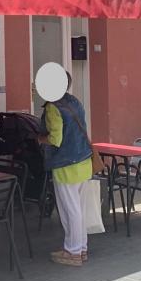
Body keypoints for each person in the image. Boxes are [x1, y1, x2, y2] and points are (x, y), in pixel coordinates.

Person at [38, 71, 93, 267]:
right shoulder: (74, 101)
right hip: (84, 161)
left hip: (65, 165)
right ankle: (81, 248)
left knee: (70, 210)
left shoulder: (53, 107)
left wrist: (40, 139)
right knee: (79, 209)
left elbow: (55, 139)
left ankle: (73, 251)